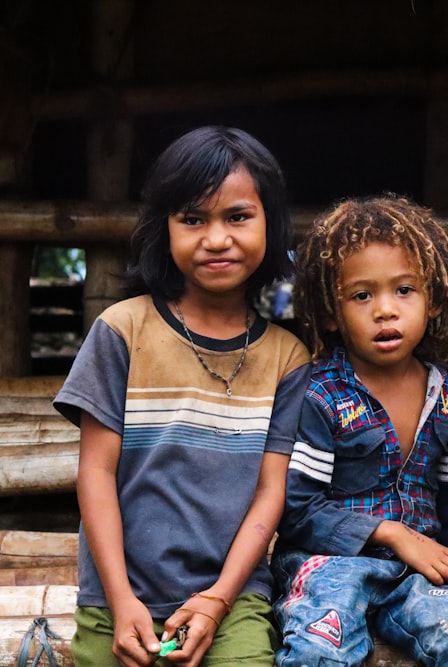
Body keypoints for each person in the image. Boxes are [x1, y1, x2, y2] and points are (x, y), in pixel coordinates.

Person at [53, 126, 312, 666]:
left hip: (233, 597)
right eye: (193, 219)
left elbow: (271, 493)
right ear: (164, 229)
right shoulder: (122, 330)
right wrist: (122, 602)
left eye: (237, 216)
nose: (216, 238)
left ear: (272, 223)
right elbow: (96, 472)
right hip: (115, 596)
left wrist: (217, 602)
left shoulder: (289, 358)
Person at [270, 196, 448, 667]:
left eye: (404, 290)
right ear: (331, 313)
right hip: (329, 569)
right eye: (362, 295)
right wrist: (389, 532)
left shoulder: (446, 396)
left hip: (420, 573)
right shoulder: (318, 394)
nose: (385, 310)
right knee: (319, 650)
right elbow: (296, 509)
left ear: (434, 299)